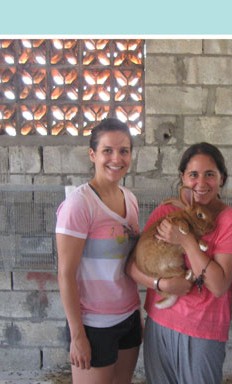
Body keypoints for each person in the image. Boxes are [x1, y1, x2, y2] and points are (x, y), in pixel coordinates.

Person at [126, 142, 232, 384]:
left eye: (210, 174)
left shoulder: (230, 220)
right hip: (160, 322)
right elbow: (131, 266)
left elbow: (219, 285)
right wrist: (161, 284)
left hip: (202, 331)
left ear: (222, 178)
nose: (201, 183)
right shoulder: (167, 212)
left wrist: (186, 240)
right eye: (193, 175)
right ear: (183, 179)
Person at [55, 118, 142, 384]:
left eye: (124, 150)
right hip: (94, 323)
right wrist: (78, 334)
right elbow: (66, 274)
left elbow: (129, 261)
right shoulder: (79, 205)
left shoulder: (130, 199)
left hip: (128, 315)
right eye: (108, 150)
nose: (117, 158)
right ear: (92, 155)